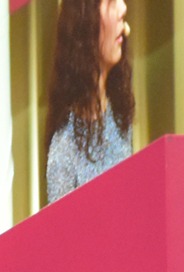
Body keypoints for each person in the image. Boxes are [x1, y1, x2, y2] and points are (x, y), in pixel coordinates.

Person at [43, 0, 133, 204]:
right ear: (86, 22)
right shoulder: (64, 147)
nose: (123, 8)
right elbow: (61, 233)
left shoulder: (119, 115)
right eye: (110, 2)